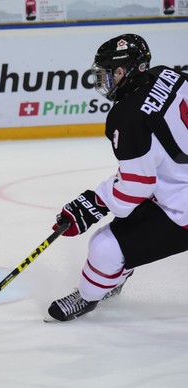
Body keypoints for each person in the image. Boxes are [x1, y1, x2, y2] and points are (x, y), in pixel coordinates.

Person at [47, 34, 188, 321]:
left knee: (105, 247)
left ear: (127, 71)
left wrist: (92, 204)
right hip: (179, 180)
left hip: (183, 206)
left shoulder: (127, 116)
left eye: (111, 73)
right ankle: (115, 274)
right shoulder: (168, 75)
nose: (106, 81)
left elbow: (134, 190)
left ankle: (87, 297)